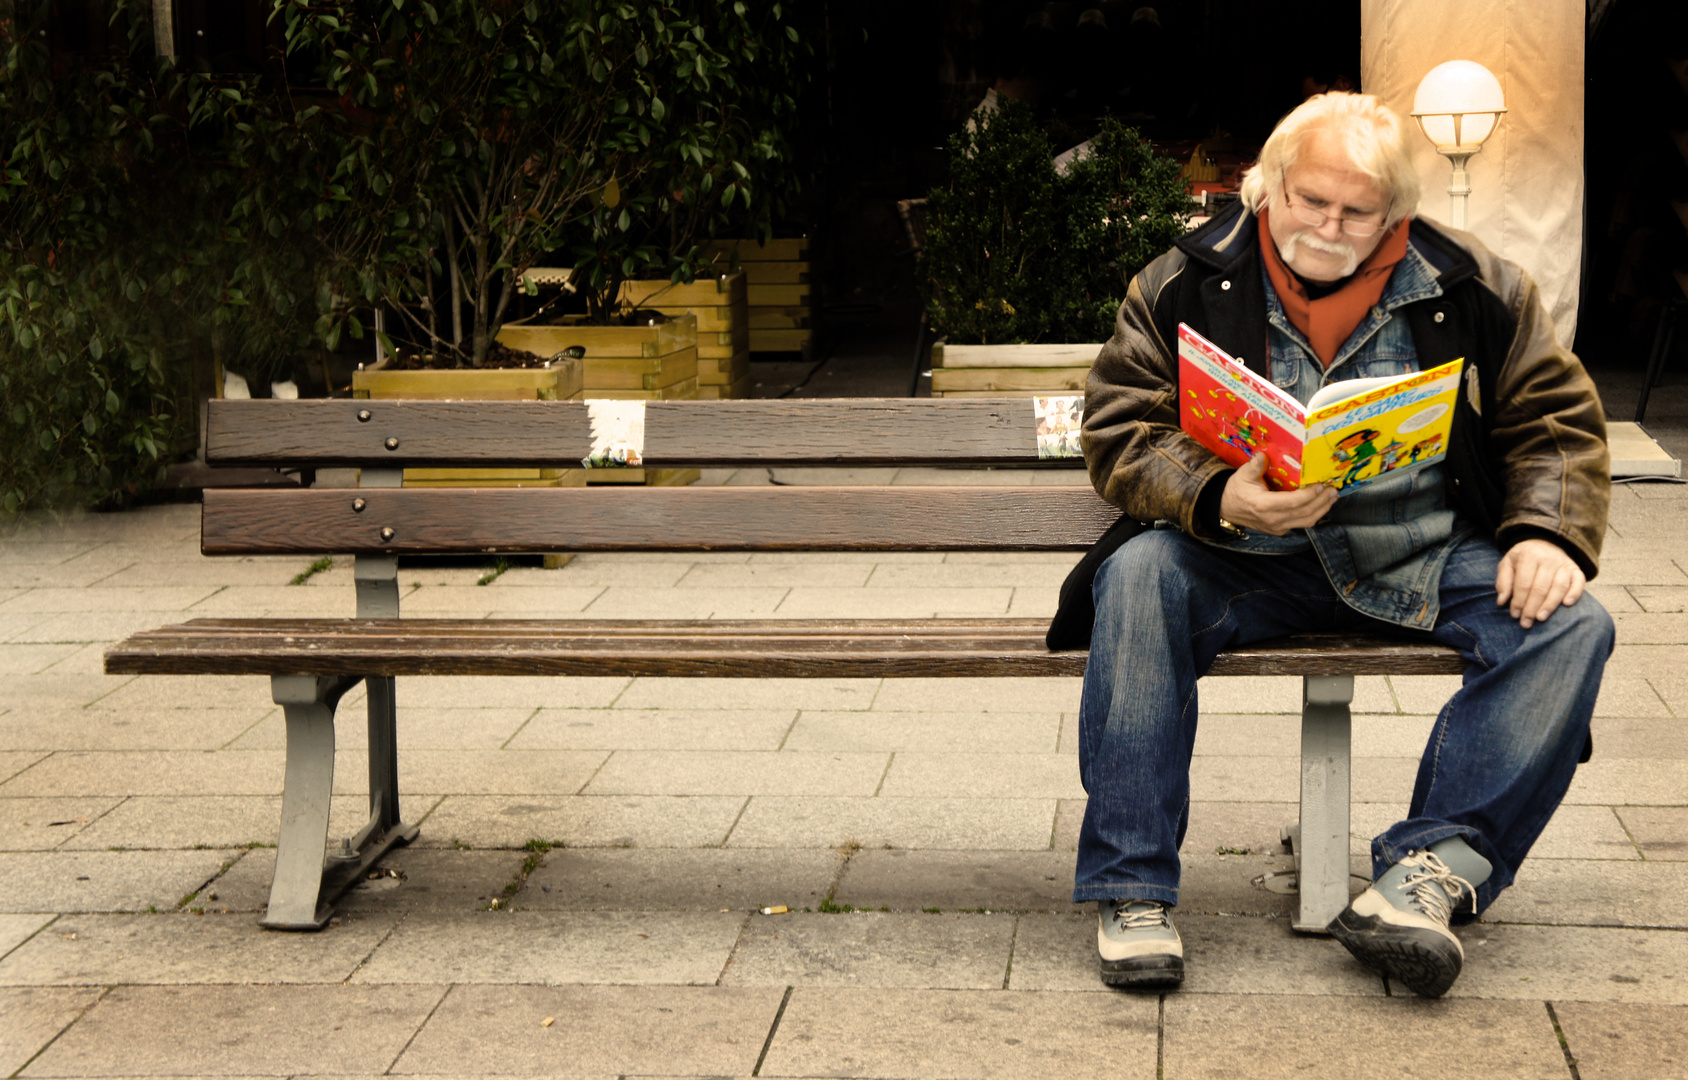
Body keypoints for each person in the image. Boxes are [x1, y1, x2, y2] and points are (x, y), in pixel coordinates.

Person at [1070, 92, 1612, 998]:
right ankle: (1131, 889)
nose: (1328, 225)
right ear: (1267, 187)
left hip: (1420, 551)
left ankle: (1426, 878)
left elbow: (1555, 422)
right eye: (1308, 200)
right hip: (1244, 558)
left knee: (1572, 624)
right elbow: (1118, 428)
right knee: (1135, 578)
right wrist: (1217, 492)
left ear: (1397, 212)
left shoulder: (1477, 282)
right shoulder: (1182, 279)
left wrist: (1546, 532)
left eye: (1357, 211)